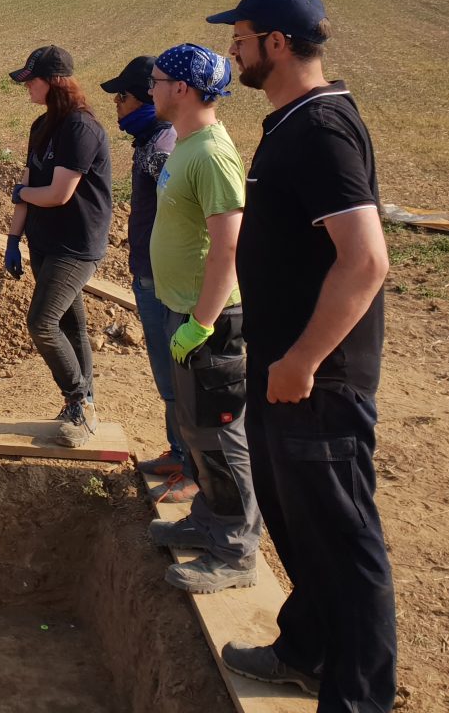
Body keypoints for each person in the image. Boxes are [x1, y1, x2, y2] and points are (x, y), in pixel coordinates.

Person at [209, 0, 395, 709]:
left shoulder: (320, 130)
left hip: (317, 379)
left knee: (345, 548)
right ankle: (306, 651)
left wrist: (304, 360)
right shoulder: (291, 122)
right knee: (299, 527)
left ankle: (356, 699)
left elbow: (367, 260)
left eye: (243, 37)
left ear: (276, 45)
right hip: (284, 366)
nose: (234, 48)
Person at [145, 44, 262, 594]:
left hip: (209, 318)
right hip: (183, 310)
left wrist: (204, 322)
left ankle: (235, 550)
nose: (151, 88)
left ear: (183, 90)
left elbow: (228, 248)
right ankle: (209, 523)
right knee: (194, 429)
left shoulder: (213, 155)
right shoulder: (187, 146)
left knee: (221, 435)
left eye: (158, 80)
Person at [4, 46, 112, 448]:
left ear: (53, 81)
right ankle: (87, 405)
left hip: (77, 244)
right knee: (70, 324)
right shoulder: (42, 126)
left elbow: (57, 193)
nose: (26, 86)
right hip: (44, 241)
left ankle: (77, 401)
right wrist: (14, 238)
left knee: (42, 323)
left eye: (31, 79)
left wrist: (22, 192)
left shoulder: (80, 128)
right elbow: (30, 190)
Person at [101, 55, 193, 497]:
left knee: (181, 376)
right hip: (149, 272)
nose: (116, 104)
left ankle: (194, 469)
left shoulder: (163, 147)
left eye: (123, 95)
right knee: (164, 370)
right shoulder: (148, 142)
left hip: (168, 278)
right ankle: (179, 451)